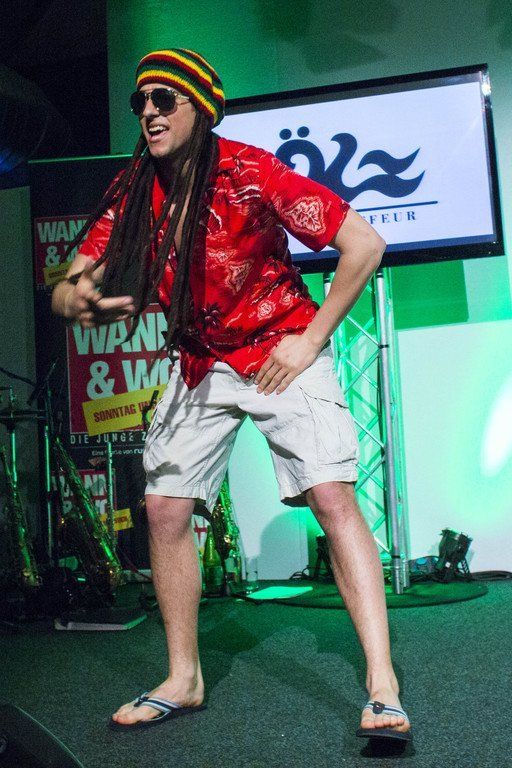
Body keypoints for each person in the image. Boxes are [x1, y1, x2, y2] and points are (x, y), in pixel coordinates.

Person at [52, 48, 411, 741]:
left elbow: (364, 244)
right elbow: (70, 283)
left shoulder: (251, 172)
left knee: (331, 496)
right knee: (163, 507)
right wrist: (76, 301)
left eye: (164, 99)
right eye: (139, 102)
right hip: (199, 358)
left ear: (201, 108)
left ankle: (383, 685)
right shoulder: (133, 188)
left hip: (279, 345)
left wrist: (309, 342)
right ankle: (182, 678)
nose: (148, 112)